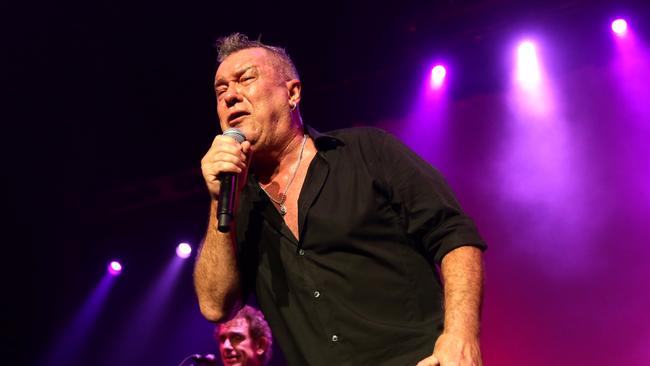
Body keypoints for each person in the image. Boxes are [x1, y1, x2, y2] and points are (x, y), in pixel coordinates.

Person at [194, 33, 487, 366]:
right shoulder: (237, 205)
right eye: (220, 90)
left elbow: (454, 235)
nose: (231, 96)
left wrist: (461, 336)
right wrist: (219, 198)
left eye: (245, 79)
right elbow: (216, 305)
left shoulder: (366, 151)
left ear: (292, 93)